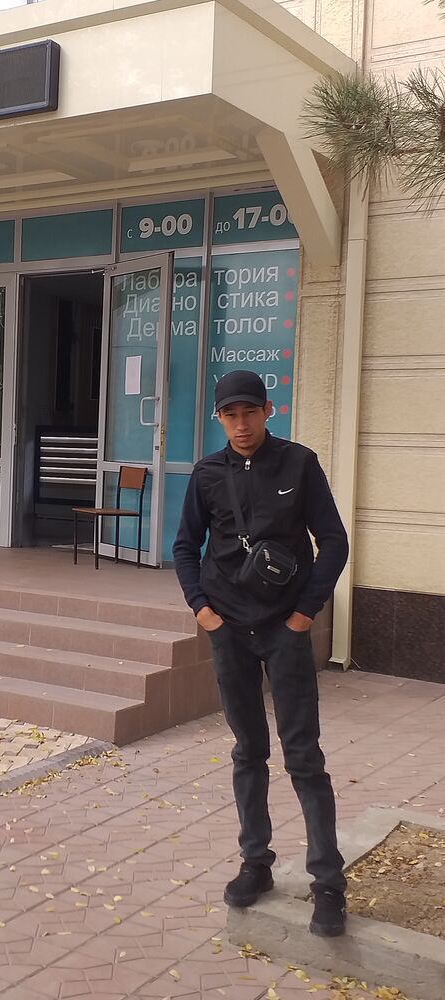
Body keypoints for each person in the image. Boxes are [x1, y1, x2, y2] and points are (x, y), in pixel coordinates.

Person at [173, 370, 349, 937]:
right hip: (229, 630)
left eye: (250, 412)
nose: (241, 424)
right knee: (248, 751)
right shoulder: (207, 474)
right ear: (219, 418)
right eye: (231, 414)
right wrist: (203, 611)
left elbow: (334, 541)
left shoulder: (299, 463)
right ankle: (256, 863)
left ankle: (328, 883)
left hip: (284, 629)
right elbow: (185, 546)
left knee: (304, 755)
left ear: (268, 411)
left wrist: (304, 615)